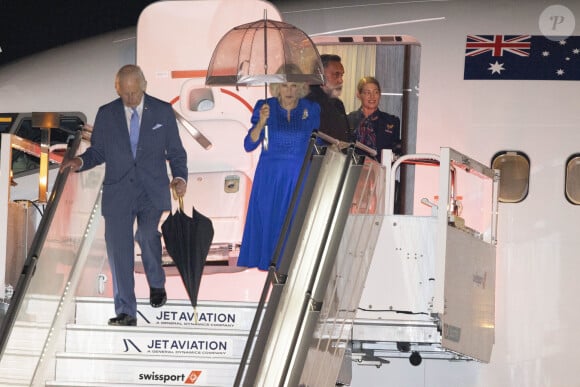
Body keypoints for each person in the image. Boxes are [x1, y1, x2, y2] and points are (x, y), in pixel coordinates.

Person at [60, 64, 188, 326]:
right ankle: (126, 311)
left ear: (144, 86)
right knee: (119, 251)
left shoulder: (163, 111)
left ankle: (156, 282)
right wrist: (79, 162)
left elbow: (176, 151)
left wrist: (179, 177)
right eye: (125, 94)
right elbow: (98, 153)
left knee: (146, 233)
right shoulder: (106, 114)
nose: (130, 99)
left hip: (151, 189)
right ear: (117, 89)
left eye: (135, 93)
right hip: (118, 191)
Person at [237, 64, 321, 271]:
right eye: (284, 86)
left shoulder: (311, 108)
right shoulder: (264, 106)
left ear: (300, 87)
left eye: (294, 86)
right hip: (270, 178)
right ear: (276, 87)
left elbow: (317, 143)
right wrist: (261, 122)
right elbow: (250, 144)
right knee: (271, 223)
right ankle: (273, 273)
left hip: (299, 177)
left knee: (296, 224)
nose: (289, 91)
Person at [347, 76, 401, 163]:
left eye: (376, 92)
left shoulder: (392, 121)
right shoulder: (348, 120)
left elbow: (396, 153)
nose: (372, 96)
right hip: (353, 170)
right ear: (359, 95)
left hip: (381, 172)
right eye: (367, 93)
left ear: (380, 95)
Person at [305, 54, 350, 144]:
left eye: (342, 75)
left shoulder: (338, 104)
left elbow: (346, 139)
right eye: (336, 75)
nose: (341, 80)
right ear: (319, 75)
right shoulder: (308, 103)